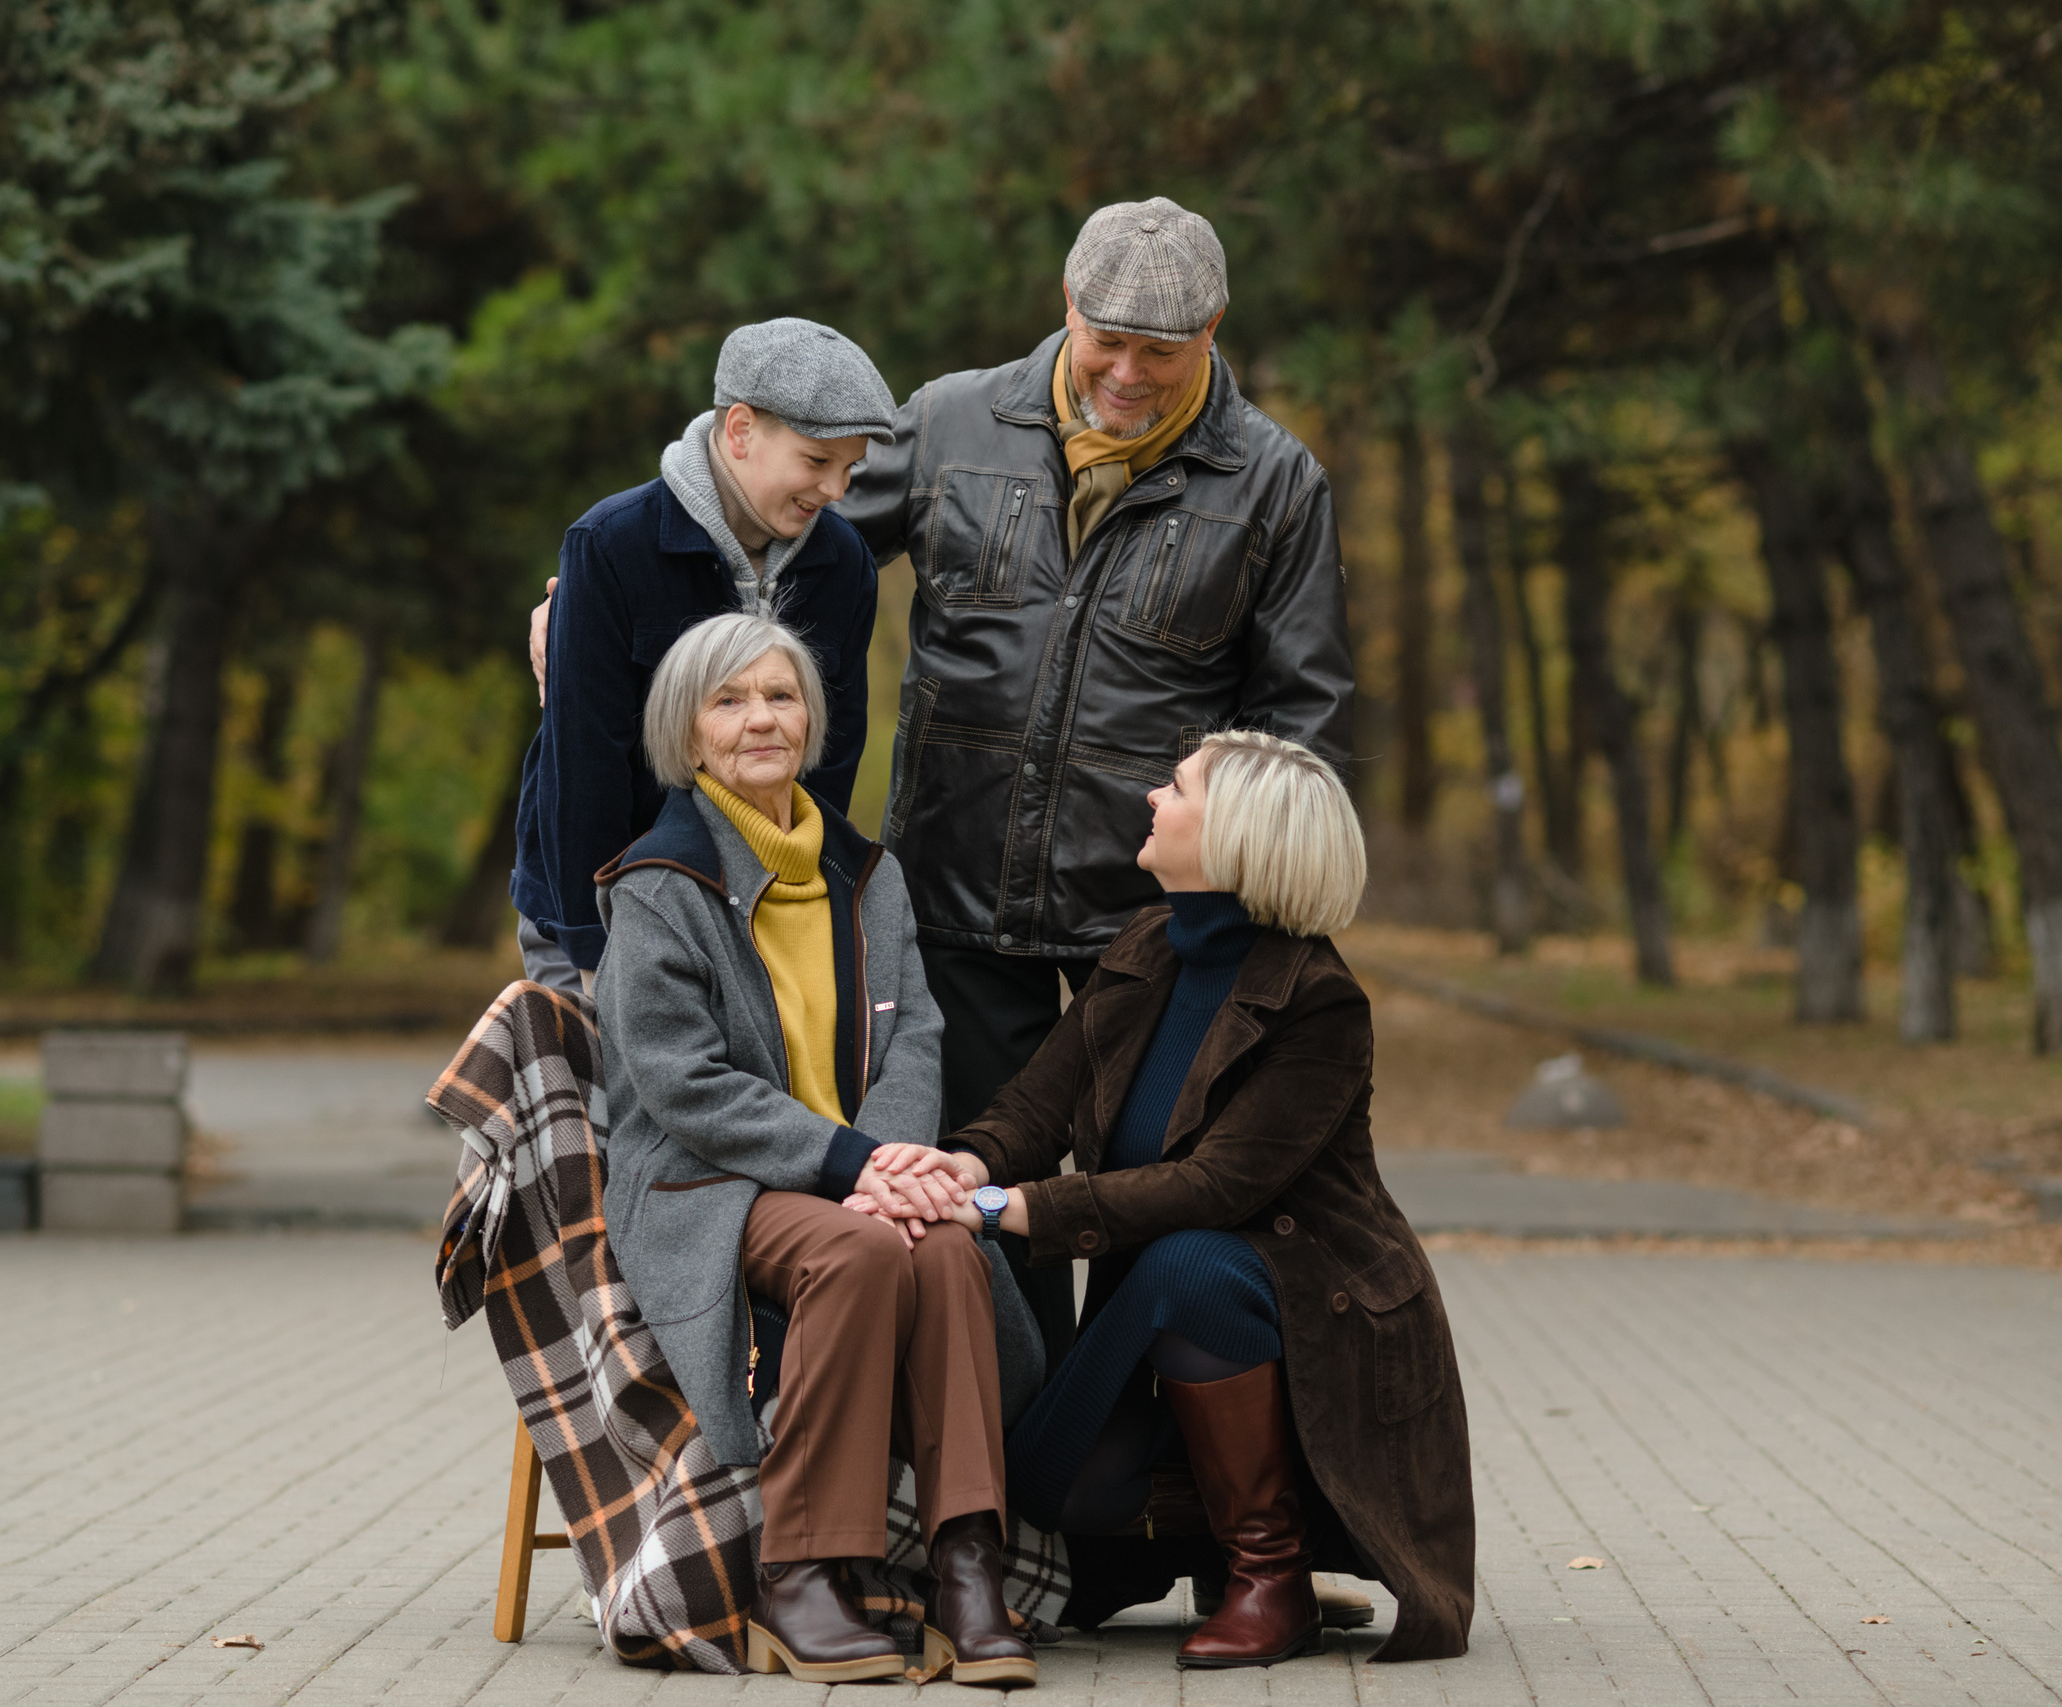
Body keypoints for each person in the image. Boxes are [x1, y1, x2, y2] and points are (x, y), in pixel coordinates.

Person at [834, 197, 1355, 1368]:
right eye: (1104, 338)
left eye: (1159, 351)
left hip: (1162, 919)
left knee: (1146, 1205)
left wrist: (1259, 929)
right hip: (957, 890)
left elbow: (1303, 718)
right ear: (1064, 306)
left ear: (1213, 329)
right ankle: (1014, 1513)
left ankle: (1131, 1500)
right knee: (978, 1196)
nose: (1126, 371)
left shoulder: (1273, 483)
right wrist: (603, 590)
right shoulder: (948, 424)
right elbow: (786, 522)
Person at [869, 730, 1476, 1669]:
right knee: (1045, 1484)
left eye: (1179, 786)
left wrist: (1005, 1212)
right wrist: (959, 1167)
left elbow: (1216, 1183)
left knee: (1190, 1261)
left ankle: (1270, 1575)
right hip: (1160, 1308)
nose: (1153, 796)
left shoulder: (1317, 1001)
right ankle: (1209, 1526)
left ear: (1239, 833)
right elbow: (1038, 1102)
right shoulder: (1149, 943)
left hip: (1319, 1311)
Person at [593, 612, 1037, 1688]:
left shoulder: (865, 872)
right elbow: (682, 1083)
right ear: (688, 737)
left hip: (855, 1180)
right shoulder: (660, 884)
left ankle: (967, 1565)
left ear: (813, 720)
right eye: (730, 701)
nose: (761, 720)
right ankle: (801, 1573)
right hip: (707, 1181)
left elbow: (915, 1035)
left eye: (780, 697)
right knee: (866, 1250)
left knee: (938, 1247)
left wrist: (884, 1169)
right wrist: (858, 1174)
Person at [511, 319, 896, 1001]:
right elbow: (583, 762)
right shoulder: (611, 545)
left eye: (850, 467)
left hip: (755, 918)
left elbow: (828, 763)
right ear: (741, 430)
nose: (837, 490)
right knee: (606, 1103)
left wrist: (802, 910)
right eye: (816, 462)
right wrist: (593, 950)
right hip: (598, 907)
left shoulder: (845, 566)